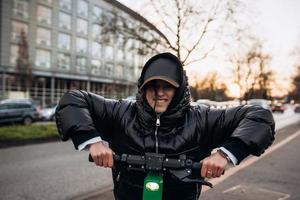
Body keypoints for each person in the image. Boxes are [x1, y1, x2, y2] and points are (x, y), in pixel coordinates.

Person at [55, 52, 275, 200]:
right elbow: (73, 99)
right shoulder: (121, 112)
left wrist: (225, 155)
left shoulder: (202, 118)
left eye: (167, 87)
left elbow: (259, 116)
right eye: (152, 86)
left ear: (178, 89)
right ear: (143, 88)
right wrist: (93, 142)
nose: (159, 93)